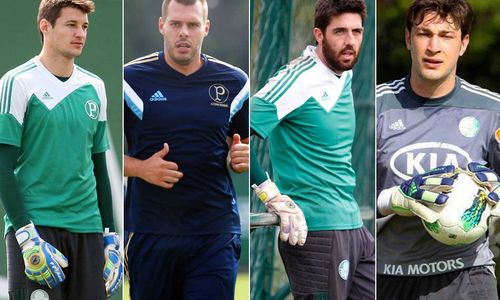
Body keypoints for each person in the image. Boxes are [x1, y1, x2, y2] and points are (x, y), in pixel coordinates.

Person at [123, 0, 249, 299]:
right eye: (176, 24)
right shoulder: (129, 80)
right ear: (161, 25)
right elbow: (98, 149)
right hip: (150, 232)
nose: (184, 33)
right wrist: (142, 168)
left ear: (205, 27)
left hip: (214, 233)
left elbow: (240, 147)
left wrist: (240, 158)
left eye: (192, 25)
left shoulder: (234, 82)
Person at [251, 0, 375, 298]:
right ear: (319, 35)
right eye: (340, 32)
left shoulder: (345, 71)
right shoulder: (296, 78)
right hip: (315, 230)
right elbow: (235, 128)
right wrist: (270, 194)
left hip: (354, 226)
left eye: (357, 31)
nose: (350, 41)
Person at [376, 0, 500, 298]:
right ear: (408, 38)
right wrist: (393, 199)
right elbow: (347, 193)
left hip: (466, 275)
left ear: (463, 44)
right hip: (387, 277)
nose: (433, 46)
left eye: (446, 36)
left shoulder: (492, 110)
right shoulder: (374, 107)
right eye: (424, 34)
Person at [0, 1, 123, 299]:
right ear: (45, 27)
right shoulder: (18, 82)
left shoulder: (95, 86)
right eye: (71, 25)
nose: (80, 33)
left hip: (88, 231)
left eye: (84, 27)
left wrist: (110, 236)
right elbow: (2, 165)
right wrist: (26, 235)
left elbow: (99, 168)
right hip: (38, 227)